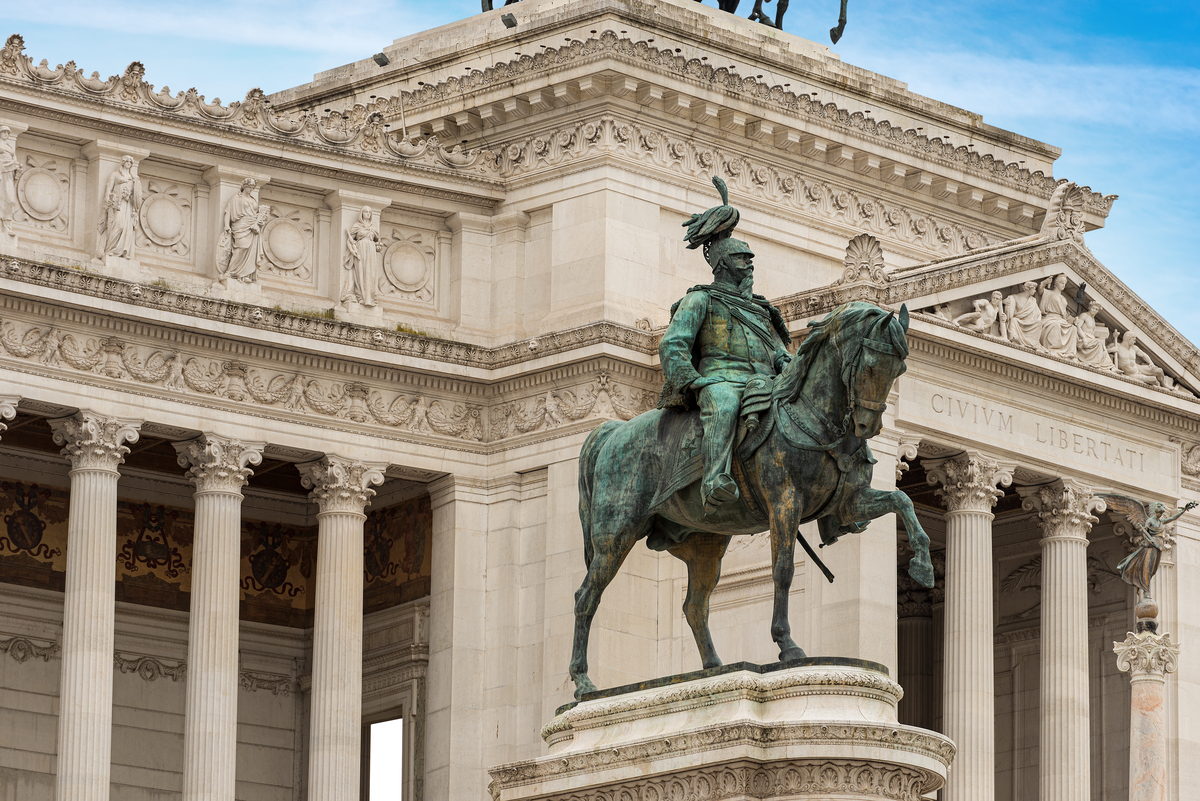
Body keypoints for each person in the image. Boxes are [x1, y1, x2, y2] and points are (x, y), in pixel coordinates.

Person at [659, 178, 792, 514]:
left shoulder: (761, 310)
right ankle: (714, 480)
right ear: (722, 264)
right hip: (719, 380)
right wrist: (692, 379)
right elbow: (673, 344)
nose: (749, 264)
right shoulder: (700, 300)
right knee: (726, 404)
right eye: (741, 259)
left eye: (750, 259)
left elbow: (777, 350)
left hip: (765, 382)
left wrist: (787, 363)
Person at [217, 178, 269, 283]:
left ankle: (245, 274)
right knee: (241, 247)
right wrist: (227, 225)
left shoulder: (253, 200)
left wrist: (259, 222)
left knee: (251, 249)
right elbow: (228, 212)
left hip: (252, 226)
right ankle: (230, 272)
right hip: (240, 225)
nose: (251, 189)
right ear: (244, 186)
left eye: (252, 188)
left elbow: (258, 214)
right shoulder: (236, 198)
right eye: (249, 187)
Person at [98, 155, 141, 259]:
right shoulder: (115, 174)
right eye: (127, 162)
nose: (128, 164)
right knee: (118, 225)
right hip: (116, 204)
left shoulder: (133, 178)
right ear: (123, 162)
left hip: (127, 205)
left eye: (130, 162)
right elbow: (109, 187)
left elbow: (136, 195)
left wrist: (129, 196)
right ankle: (110, 249)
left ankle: (124, 250)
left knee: (126, 227)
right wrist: (107, 199)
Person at [342, 205, 383, 307]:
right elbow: (349, 239)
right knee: (360, 272)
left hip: (371, 251)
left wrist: (378, 246)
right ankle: (361, 297)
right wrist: (352, 250)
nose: (368, 214)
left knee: (371, 273)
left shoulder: (373, 228)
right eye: (365, 212)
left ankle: (370, 298)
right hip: (360, 250)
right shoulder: (357, 226)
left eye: (369, 212)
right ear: (362, 213)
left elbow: (378, 241)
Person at [1037, 274, 1079, 359]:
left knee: (1073, 329)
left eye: (1064, 283)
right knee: (1055, 325)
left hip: (1061, 319)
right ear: (1055, 283)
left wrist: (1074, 319)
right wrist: (1045, 282)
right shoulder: (1049, 293)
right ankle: (1053, 349)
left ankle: (1069, 353)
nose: (1063, 285)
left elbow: (1065, 314)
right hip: (1050, 318)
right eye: (1061, 282)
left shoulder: (1064, 298)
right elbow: (1040, 289)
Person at [1000, 281, 1042, 349]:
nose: (1035, 291)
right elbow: (1010, 316)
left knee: (1038, 323)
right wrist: (1003, 303)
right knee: (1013, 320)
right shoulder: (1014, 297)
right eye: (1033, 289)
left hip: (1030, 324)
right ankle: (1014, 337)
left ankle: (1033, 343)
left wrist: (1036, 320)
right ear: (1028, 289)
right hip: (1018, 323)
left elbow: (1038, 313)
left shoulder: (1033, 300)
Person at [1075, 301, 1115, 369]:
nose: (1094, 310)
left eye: (1096, 309)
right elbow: (1077, 327)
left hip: (1091, 340)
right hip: (1083, 339)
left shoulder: (1093, 319)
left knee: (1101, 346)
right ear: (1090, 307)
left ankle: (1110, 366)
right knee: (1099, 342)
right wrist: (1084, 338)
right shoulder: (1084, 315)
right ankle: (1107, 365)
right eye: (1093, 308)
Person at [0, 126, 20, 236]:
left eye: (8, 132)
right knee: (2, 198)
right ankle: (4, 227)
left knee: (10, 199)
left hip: (8, 174)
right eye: (4, 132)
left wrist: (16, 167)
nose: (6, 134)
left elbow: (14, 161)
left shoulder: (8, 146)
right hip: (2, 173)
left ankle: (6, 225)